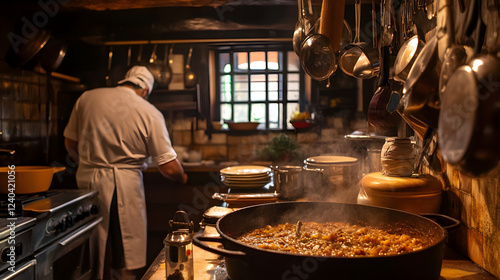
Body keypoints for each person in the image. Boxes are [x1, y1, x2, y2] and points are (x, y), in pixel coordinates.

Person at [63, 66, 188, 280]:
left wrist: (91, 161)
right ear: (146, 90)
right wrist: (182, 177)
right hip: (123, 184)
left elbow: (70, 143)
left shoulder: (87, 97)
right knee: (124, 249)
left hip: (86, 183)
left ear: (126, 81)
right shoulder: (148, 111)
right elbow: (168, 167)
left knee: (93, 250)